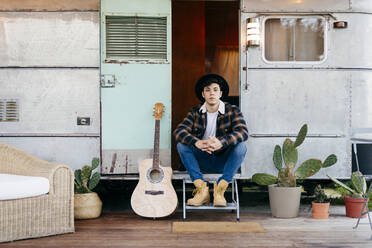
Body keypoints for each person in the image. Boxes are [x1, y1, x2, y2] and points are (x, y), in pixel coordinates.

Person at [173, 74, 248, 207]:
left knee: (241, 146)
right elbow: (179, 132)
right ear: (203, 94)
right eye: (207, 90)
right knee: (182, 145)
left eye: (215, 89)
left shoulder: (232, 111)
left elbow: (243, 132)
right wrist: (197, 142)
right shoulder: (195, 112)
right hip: (202, 160)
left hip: (223, 161)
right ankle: (202, 190)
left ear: (220, 93)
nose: (211, 93)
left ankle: (220, 191)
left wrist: (221, 142)